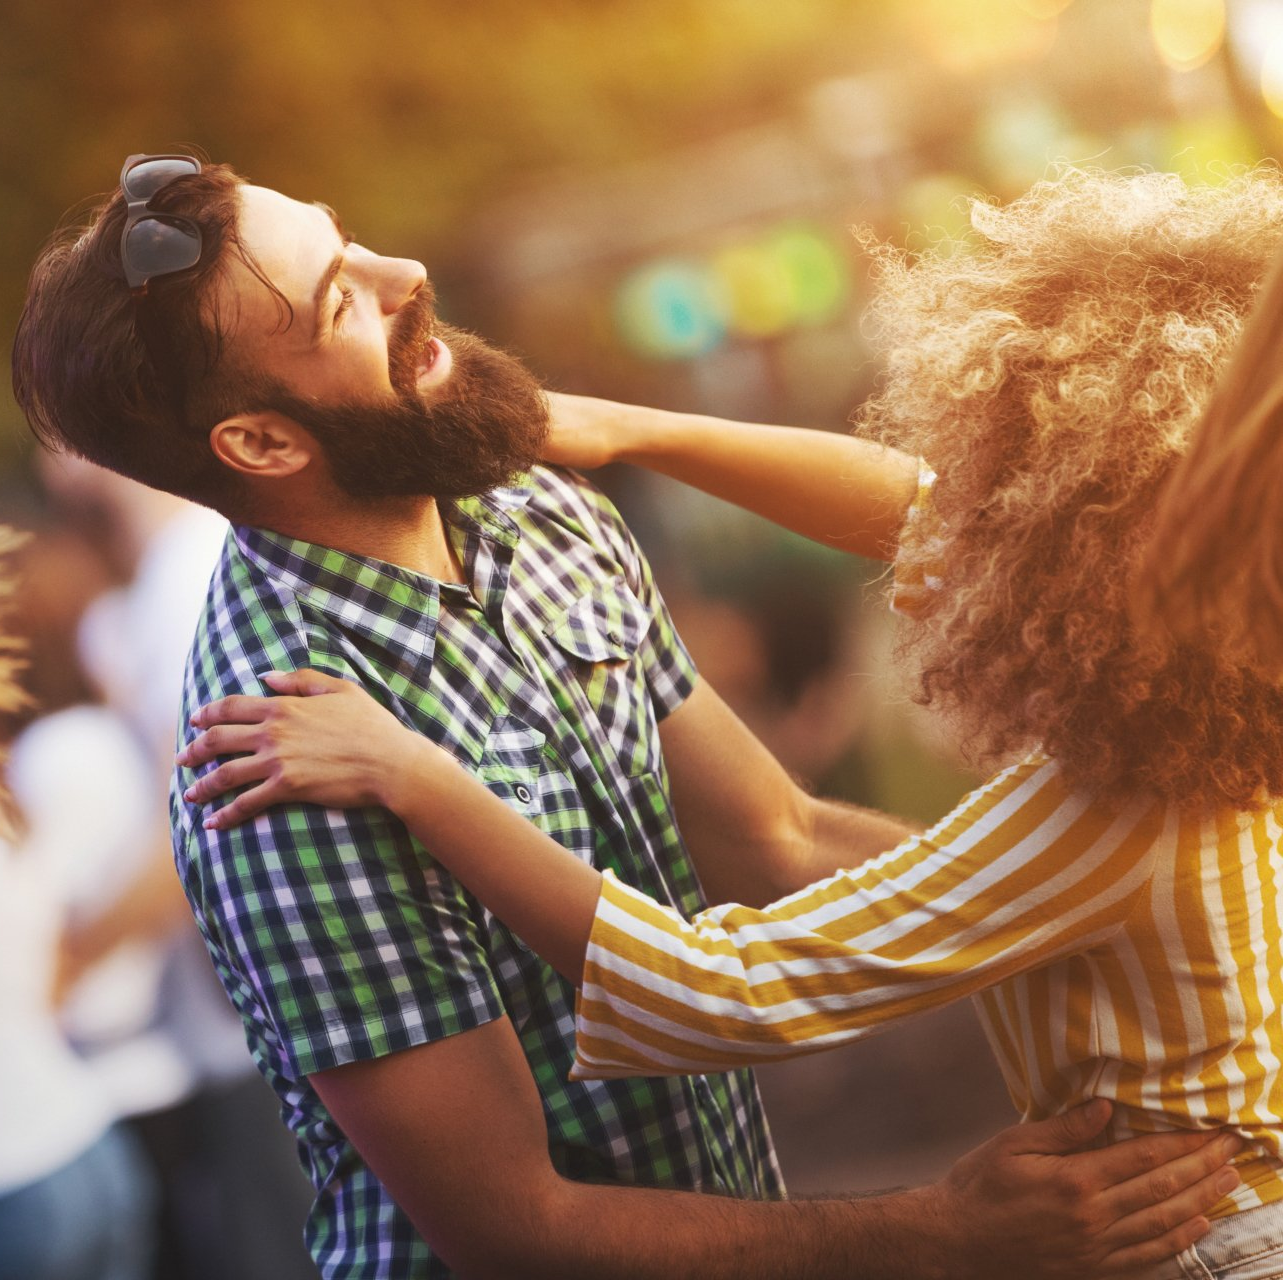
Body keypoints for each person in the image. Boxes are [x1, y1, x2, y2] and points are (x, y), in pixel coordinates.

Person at [12, 154, 1239, 1280]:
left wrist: (1075, 897)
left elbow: (773, 836)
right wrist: (940, 1229)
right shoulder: (278, 765)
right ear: (262, 439)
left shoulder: (531, 513)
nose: (408, 275)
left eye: (352, 242)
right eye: (343, 298)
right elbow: (513, 1227)